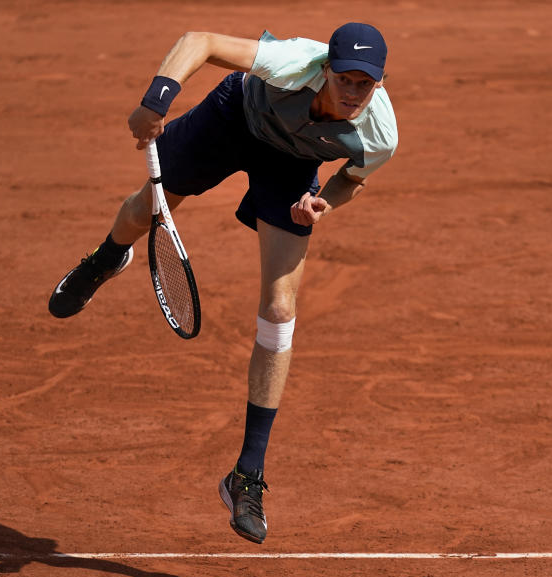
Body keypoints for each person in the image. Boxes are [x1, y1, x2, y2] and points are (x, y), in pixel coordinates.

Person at [48, 23, 398, 543]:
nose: (352, 92)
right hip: (234, 117)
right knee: (147, 210)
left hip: (292, 164)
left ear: (379, 83)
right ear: (325, 69)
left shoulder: (379, 132)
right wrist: (155, 102)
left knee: (280, 309)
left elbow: (352, 177)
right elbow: (200, 43)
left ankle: (246, 475)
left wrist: (324, 203)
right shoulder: (293, 62)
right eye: (343, 79)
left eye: (363, 84)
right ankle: (108, 256)